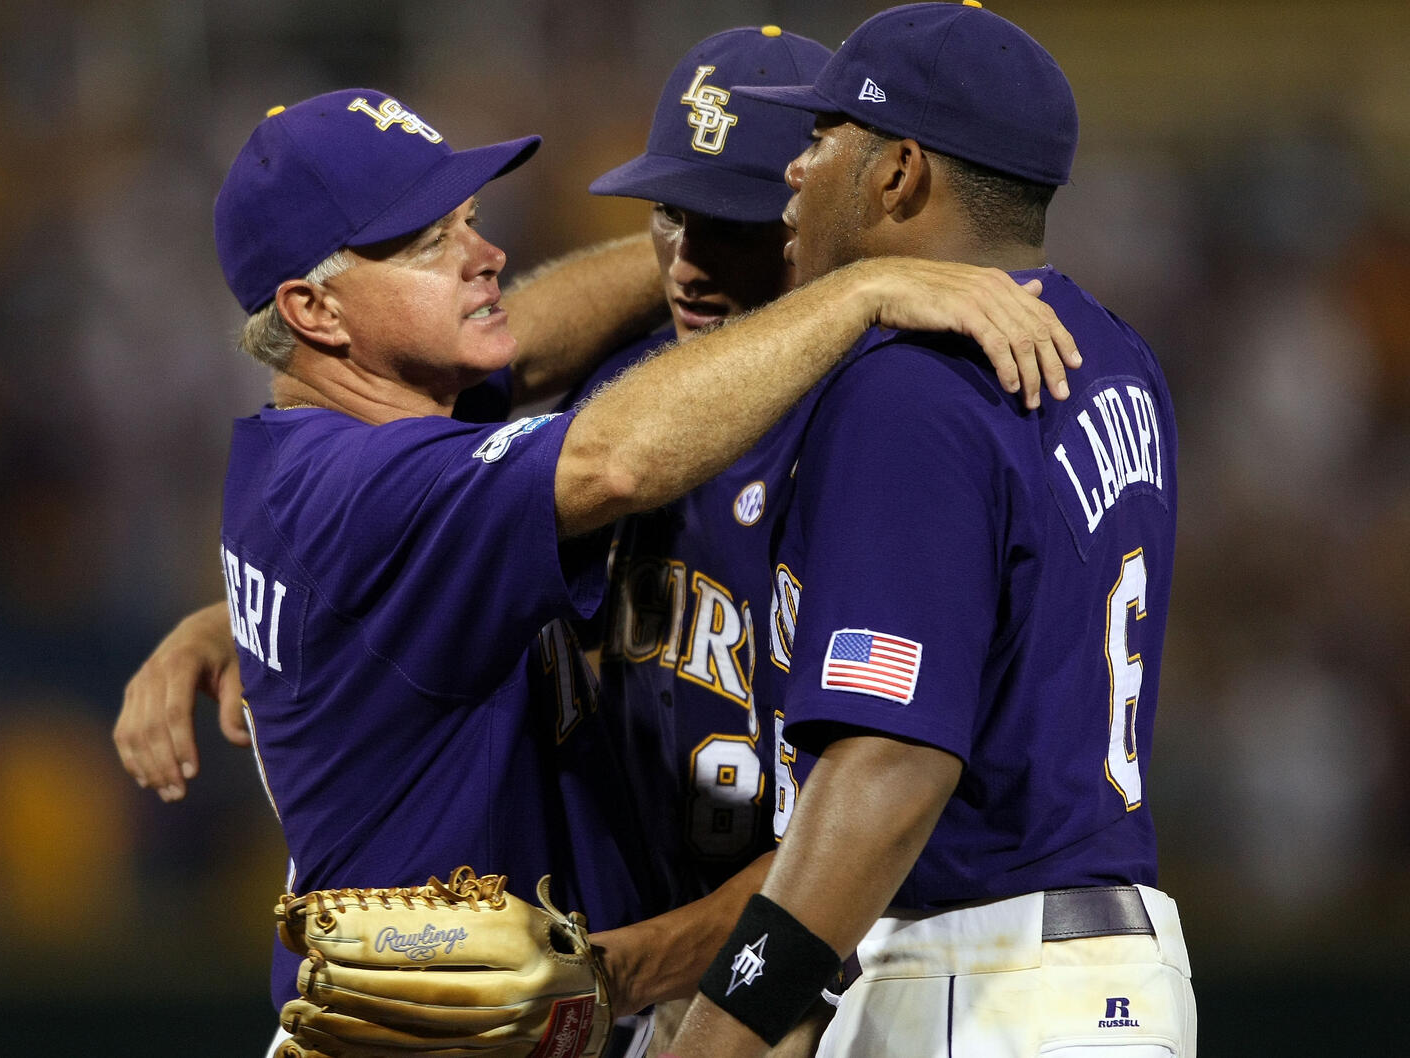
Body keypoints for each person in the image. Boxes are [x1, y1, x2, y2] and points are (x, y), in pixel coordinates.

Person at [152, 78, 1078, 1055]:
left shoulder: (331, 439)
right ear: (314, 308)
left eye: (468, 220)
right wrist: (858, 281)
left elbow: (528, 334)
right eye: (430, 243)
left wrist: (725, 235)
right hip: (433, 1036)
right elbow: (615, 458)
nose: (487, 258)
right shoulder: (375, 491)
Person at [666, 4, 1197, 1057]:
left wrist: (716, 1035)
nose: (792, 169)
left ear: (897, 173)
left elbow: (889, 766)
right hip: (1119, 972)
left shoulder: (912, 385)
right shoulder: (1115, 353)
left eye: (820, 139)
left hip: (981, 980)